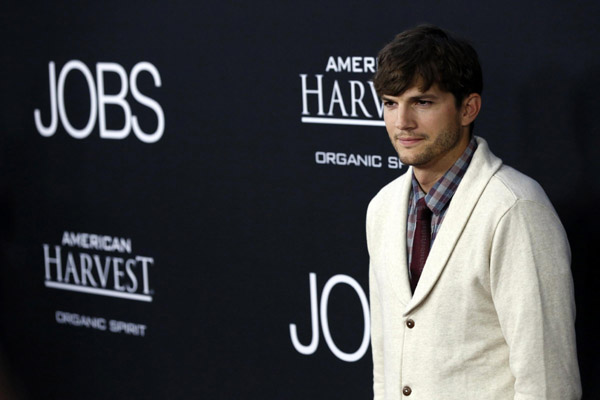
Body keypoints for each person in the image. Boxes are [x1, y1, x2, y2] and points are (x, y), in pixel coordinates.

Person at [366, 25, 581, 399]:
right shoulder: (382, 207)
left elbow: (548, 384)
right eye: (390, 103)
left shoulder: (516, 210)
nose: (402, 123)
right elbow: (386, 359)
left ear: (468, 108)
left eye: (422, 102)